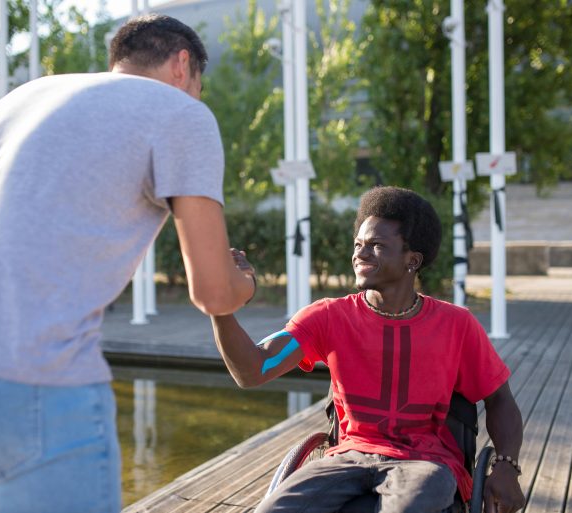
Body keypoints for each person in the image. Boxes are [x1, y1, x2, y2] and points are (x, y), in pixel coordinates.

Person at [0, 14, 255, 513]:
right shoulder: (181, 111)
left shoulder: (22, 98)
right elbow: (214, 292)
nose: (196, 96)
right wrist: (246, 283)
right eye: (198, 84)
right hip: (24, 368)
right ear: (182, 66)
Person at [211, 186, 526, 513]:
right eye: (358, 244)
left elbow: (500, 399)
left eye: (376, 246)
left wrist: (506, 466)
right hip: (348, 457)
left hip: (424, 462)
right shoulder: (328, 316)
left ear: (412, 260)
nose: (360, 254)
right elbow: (252, 370)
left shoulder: (456, 324)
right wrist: (220, 305)